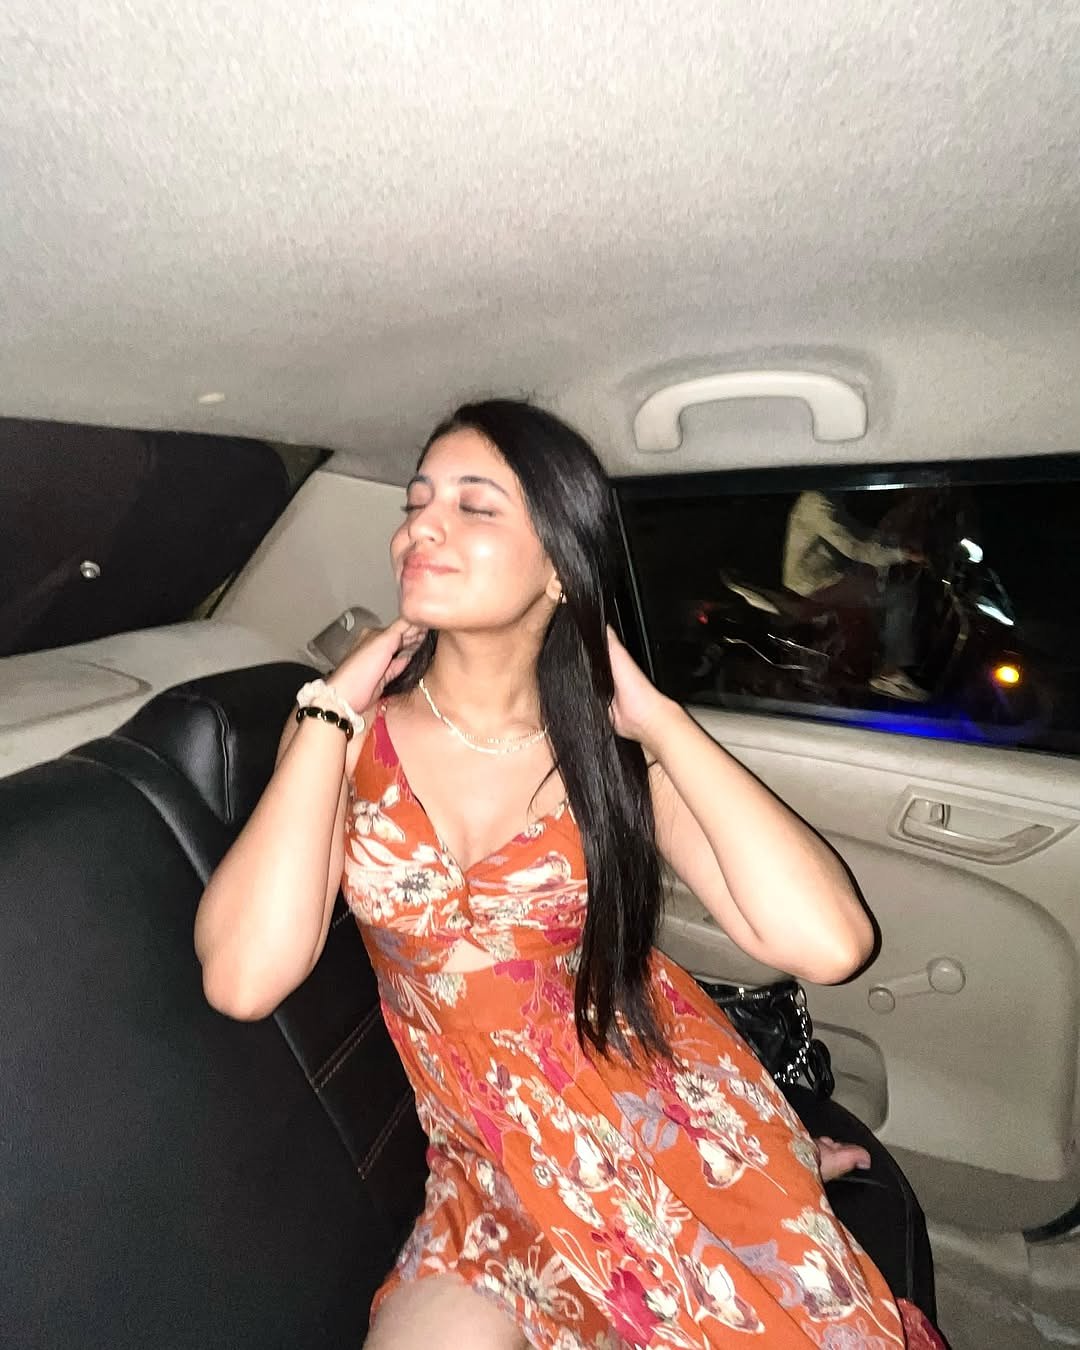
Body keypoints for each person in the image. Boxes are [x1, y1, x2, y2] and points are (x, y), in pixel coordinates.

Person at [194, 401, 947, 1348]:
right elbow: (243, 979)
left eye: (474, 506)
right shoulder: (345, 737)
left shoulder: (607, 754)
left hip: (663, 1117)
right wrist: (327, 710)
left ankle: (768, 1162)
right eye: (416, 502)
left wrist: (659, 719)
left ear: (559, 564)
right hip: (486, 1163)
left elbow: (831, 944)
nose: (421, 526)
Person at [783, 490, 928, 701]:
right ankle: (889, 673)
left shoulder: (827, 498)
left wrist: (893, 542)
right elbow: (853, 547)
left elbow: (856, 532)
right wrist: (902, 554)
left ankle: (869, 658)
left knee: (873, 586)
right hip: (814, 583)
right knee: (900, 596)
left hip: (822, 577)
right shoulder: (816, 502)